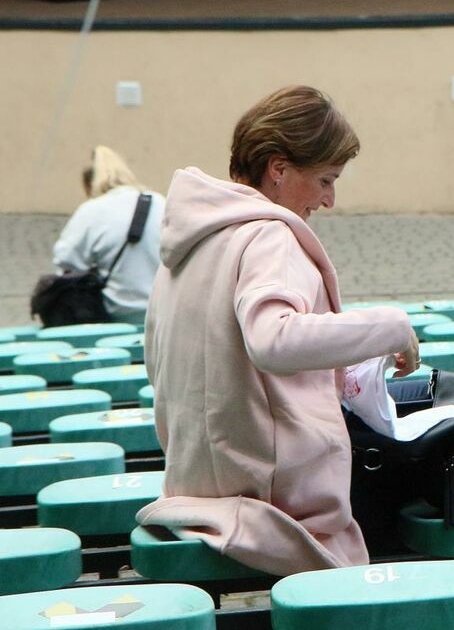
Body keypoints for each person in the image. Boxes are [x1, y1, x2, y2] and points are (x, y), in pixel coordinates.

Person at [136, 86, 420, 576]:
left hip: (192, 488)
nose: (330, 199)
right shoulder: (268, 235)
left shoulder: (188, 242)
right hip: (270, 503)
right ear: (279, 168)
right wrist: (391, 326)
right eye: (326, 179)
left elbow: (164, 356)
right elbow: (272, 340)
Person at [51, 145, 165, 325]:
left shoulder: (91, 209)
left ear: (89, 185)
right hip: (162, 310)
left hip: (115, 313)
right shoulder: (159, 201)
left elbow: (66, 261)